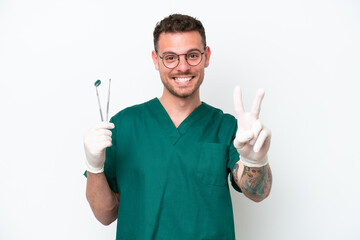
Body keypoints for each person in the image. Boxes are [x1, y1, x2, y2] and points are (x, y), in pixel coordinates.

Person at [84, 14, 272, 240]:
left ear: (206, 57)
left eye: (192, 56)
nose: (182, 67)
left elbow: (258, 193)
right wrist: (94, 167)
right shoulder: (125, 126)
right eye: (171, 57)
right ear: (156, 60)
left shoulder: (226, 127)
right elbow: (105, 215)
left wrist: (255, 162)